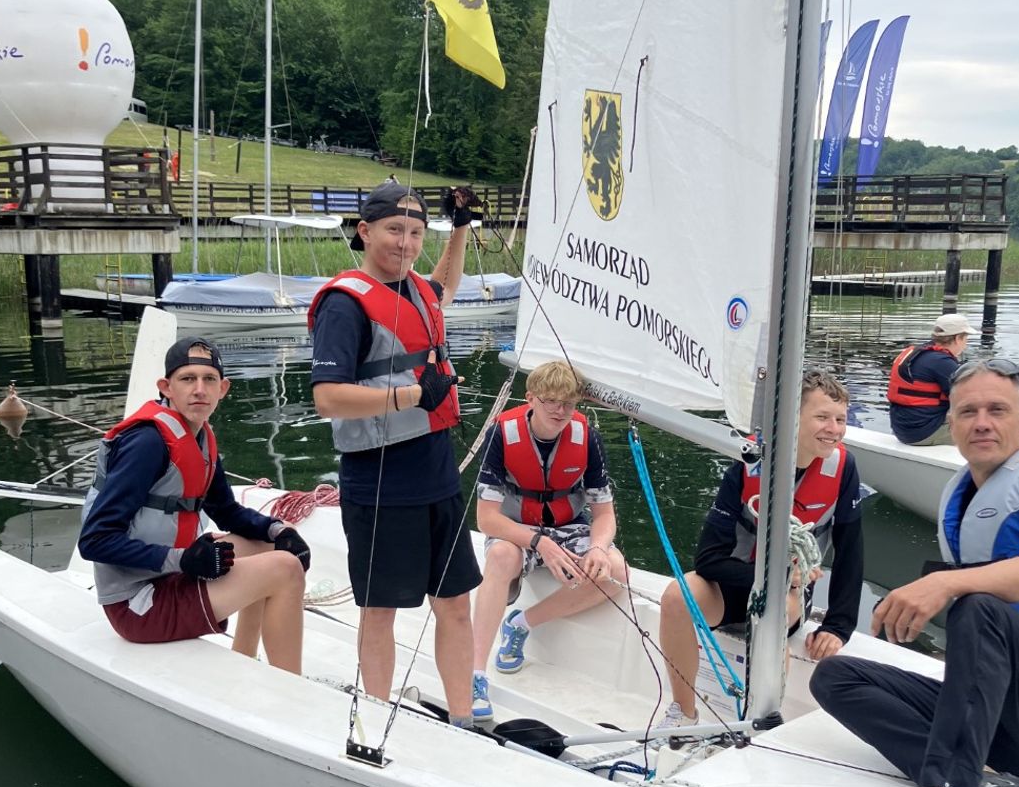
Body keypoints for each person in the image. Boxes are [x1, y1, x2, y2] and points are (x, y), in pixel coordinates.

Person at [814, 358, 1019, 787]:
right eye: (968, 412)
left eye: (997, 410)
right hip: (1005, 728)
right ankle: (989, 786)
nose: (982, 422)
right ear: (951, 426)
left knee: (976, 606)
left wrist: (946, 587)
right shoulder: (965, 494)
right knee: (836, 677)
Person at [309, 181, 482, 727]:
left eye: (415, 233)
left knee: (455, 603)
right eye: (394, 231)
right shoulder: (345, 303)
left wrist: (458, 230)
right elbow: (326, 398)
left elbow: (445, 287)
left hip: (435, 471)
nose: (406, 244)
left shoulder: (419, 291)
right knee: (379, 608)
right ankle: (373, 716)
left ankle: (463, 721)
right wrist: (410, 395)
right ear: (364, 231)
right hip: (379, 477)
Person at [79, 337, 310, 674]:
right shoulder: (147, 443)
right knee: (285, 571)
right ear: (166, 387)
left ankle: (244, 660)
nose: (199, 389)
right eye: (188, 379)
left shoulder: (200, 437)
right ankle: (292, 693)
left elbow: (227, 511)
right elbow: (94, 541)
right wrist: (183, 559)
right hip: (137, 605)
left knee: (267, 547)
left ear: (223, 388)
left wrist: (280, 530)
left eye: (209, 380)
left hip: (168, 578)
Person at [658, 371, 864, 727]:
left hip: (790, 595)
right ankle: (683, 715)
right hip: (733, 585)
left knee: (774, 610)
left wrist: (838, 626)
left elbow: (851, 551)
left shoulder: (843, 469)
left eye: (840, 419)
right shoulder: (747, 464)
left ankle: (759, 722)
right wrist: (775, 574)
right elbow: (707, 560)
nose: (834, 428)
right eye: (822, 417)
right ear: (790, 418)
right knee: (677, 596)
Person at [469, 361, 626, 720]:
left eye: (568, 404)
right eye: (551, 401)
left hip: (570, 526)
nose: (560, 411)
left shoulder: (587, 438)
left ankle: (520, 624)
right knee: (500, 560)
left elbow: (604, 515)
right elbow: (486, 519)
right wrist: (539, 542)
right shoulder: (501, 435)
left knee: (616, 570)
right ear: (531, 399)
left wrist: (599, 547)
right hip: (516, 527)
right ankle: (475, 673)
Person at [887, 312, 973, 445]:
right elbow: (968, 400)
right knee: (986, 429)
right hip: (923, 432)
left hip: (901, 428)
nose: (966, 343)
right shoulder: (943, 362)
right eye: (966, 338)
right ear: (957, 338)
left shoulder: (917, 353)